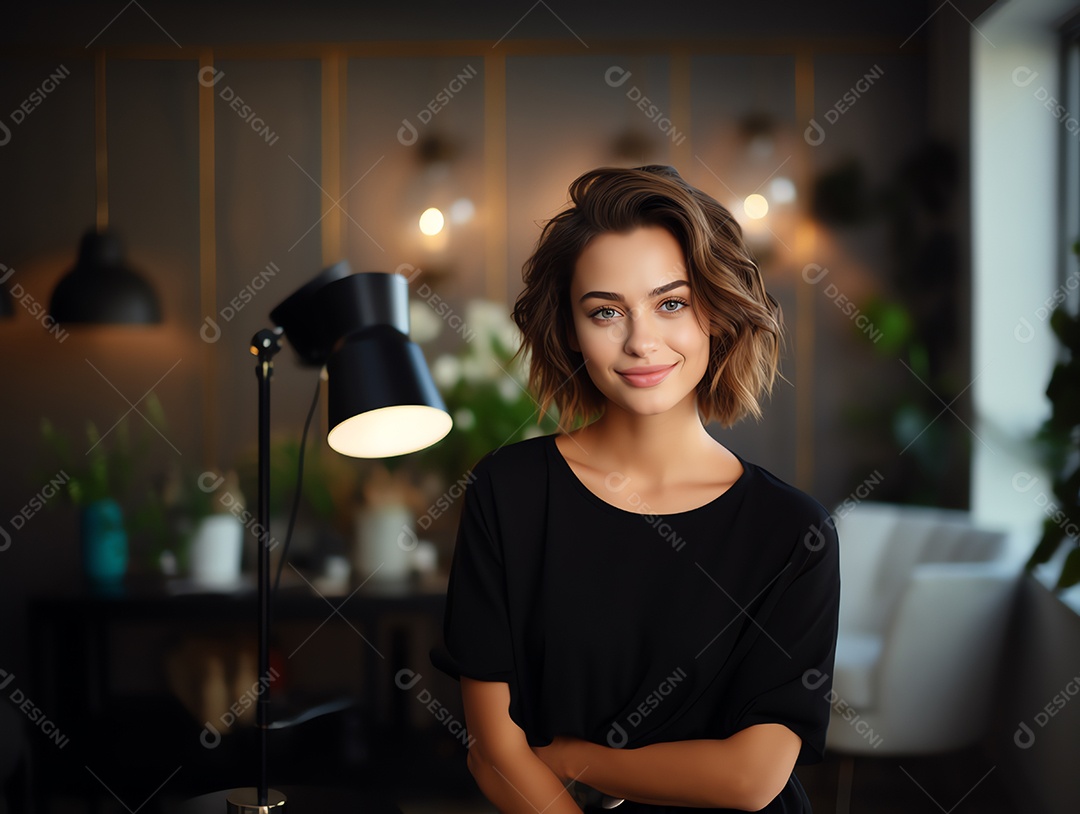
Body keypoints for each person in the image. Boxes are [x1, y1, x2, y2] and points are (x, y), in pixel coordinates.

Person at [430, 165, 840, 813]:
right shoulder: (508, 494)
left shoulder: (793, 531)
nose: (641, 341)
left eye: (670, 303)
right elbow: (493, 747)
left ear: (716, 313)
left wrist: (578, 759)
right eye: (605, 311)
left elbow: (751, 778)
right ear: (569, 329)